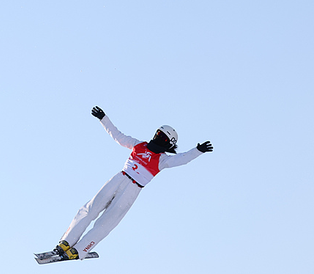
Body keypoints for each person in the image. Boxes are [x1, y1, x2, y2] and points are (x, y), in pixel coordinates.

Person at [52, 106, 213, 260]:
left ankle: (80, 250)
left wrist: (197, 150)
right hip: (119, 178)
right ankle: (66, 242)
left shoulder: (163, 159)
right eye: (157, 133)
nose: (157, 137)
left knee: (108, 221)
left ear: (168, 143)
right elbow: (118, 135)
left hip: (133, 189)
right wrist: (103, 119)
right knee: (91, 208)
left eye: (162, 137)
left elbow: (182, 159)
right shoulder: (139, 145)